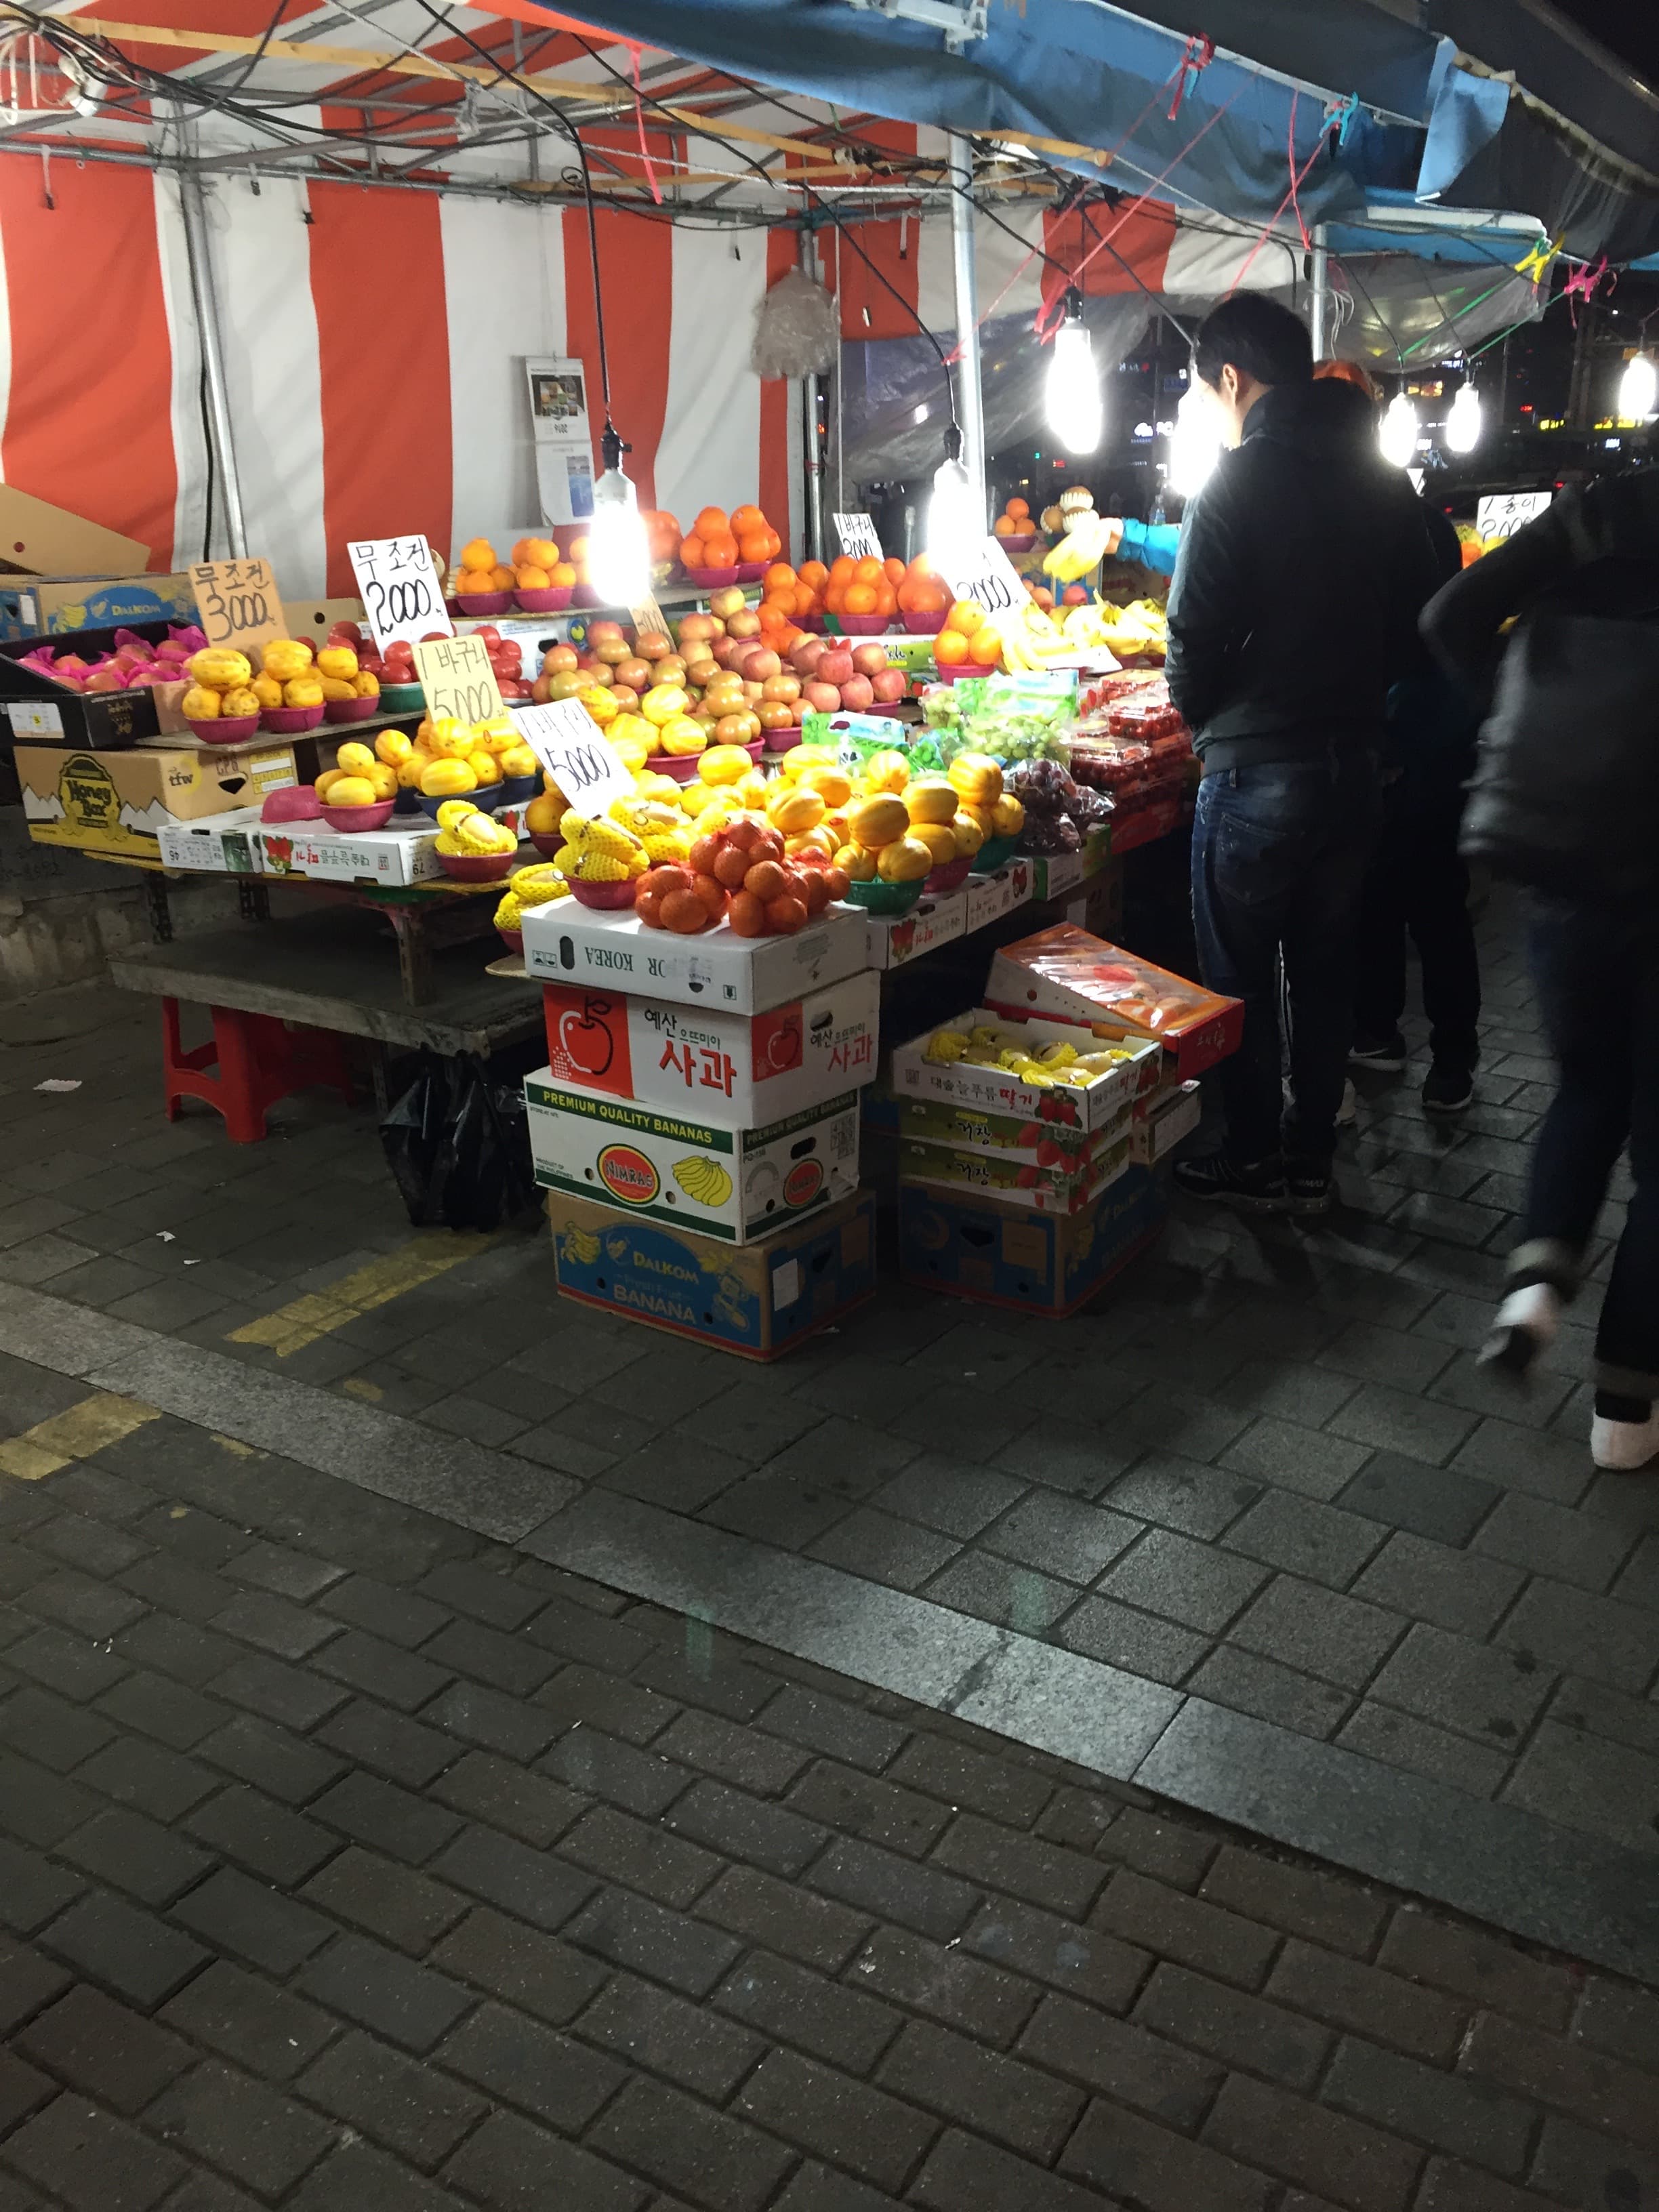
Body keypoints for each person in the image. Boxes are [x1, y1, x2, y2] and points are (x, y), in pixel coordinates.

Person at [1165, 298, 1442, 1213]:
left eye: (1206, 391)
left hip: (1256, 769)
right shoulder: (1382, 483)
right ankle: (1310, 1154)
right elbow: (1423, 622)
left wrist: (1215, 724)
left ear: (1233, 380)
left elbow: (1191, 639)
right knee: (1328, 969)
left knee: (1240, 977)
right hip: (1354, 764)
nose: (1209, 408)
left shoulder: (1236, 482)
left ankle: (1251, 1156)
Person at [1422, 469, 1659, 1471]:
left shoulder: (1608, 508)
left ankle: (1533, 1292)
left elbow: (1448, 615)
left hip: (1565, 861)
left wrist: (1518, 720)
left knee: (1586, 1087)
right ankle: (1625, 1413)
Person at [1333, 369, 1483, 1115]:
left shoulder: (1388, 521)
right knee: (1387, 893)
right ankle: (1385, 1034)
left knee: (1425, 897)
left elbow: (1412, 639)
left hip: (1417, 737)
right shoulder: (1406, 513)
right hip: (1403, 735)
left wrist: (1392, 740)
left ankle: (1448, 1054)